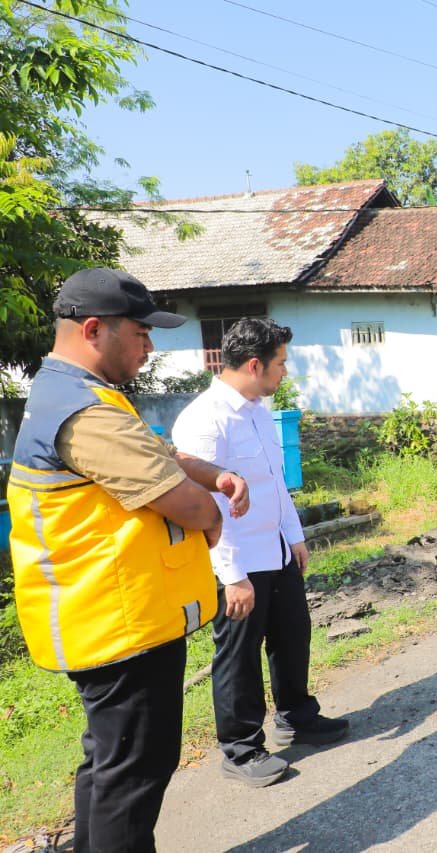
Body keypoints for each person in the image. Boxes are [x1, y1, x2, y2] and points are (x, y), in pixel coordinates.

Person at [6, 268, 247, 852]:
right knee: (134, 773)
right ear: (94, 329)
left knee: (111, 763)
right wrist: (211, 514)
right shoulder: (85, 412)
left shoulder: (75, 394)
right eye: (140, 333)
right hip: (119, 623)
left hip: (114, 615)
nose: (149, 346)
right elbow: (186, 505)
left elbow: (156, 454)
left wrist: (213, 474)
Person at [173, 318, 349, 788]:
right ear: (255, 365)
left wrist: (294, 537)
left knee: (293, 636)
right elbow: (204, 504)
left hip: (275, 550)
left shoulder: (255, 409)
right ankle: (241, 748)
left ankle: (297, 717)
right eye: (280, 364)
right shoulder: (204, 419)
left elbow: (275, 482)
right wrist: (231, 574)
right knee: (239, 655)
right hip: (237, 561)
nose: (285, 373)